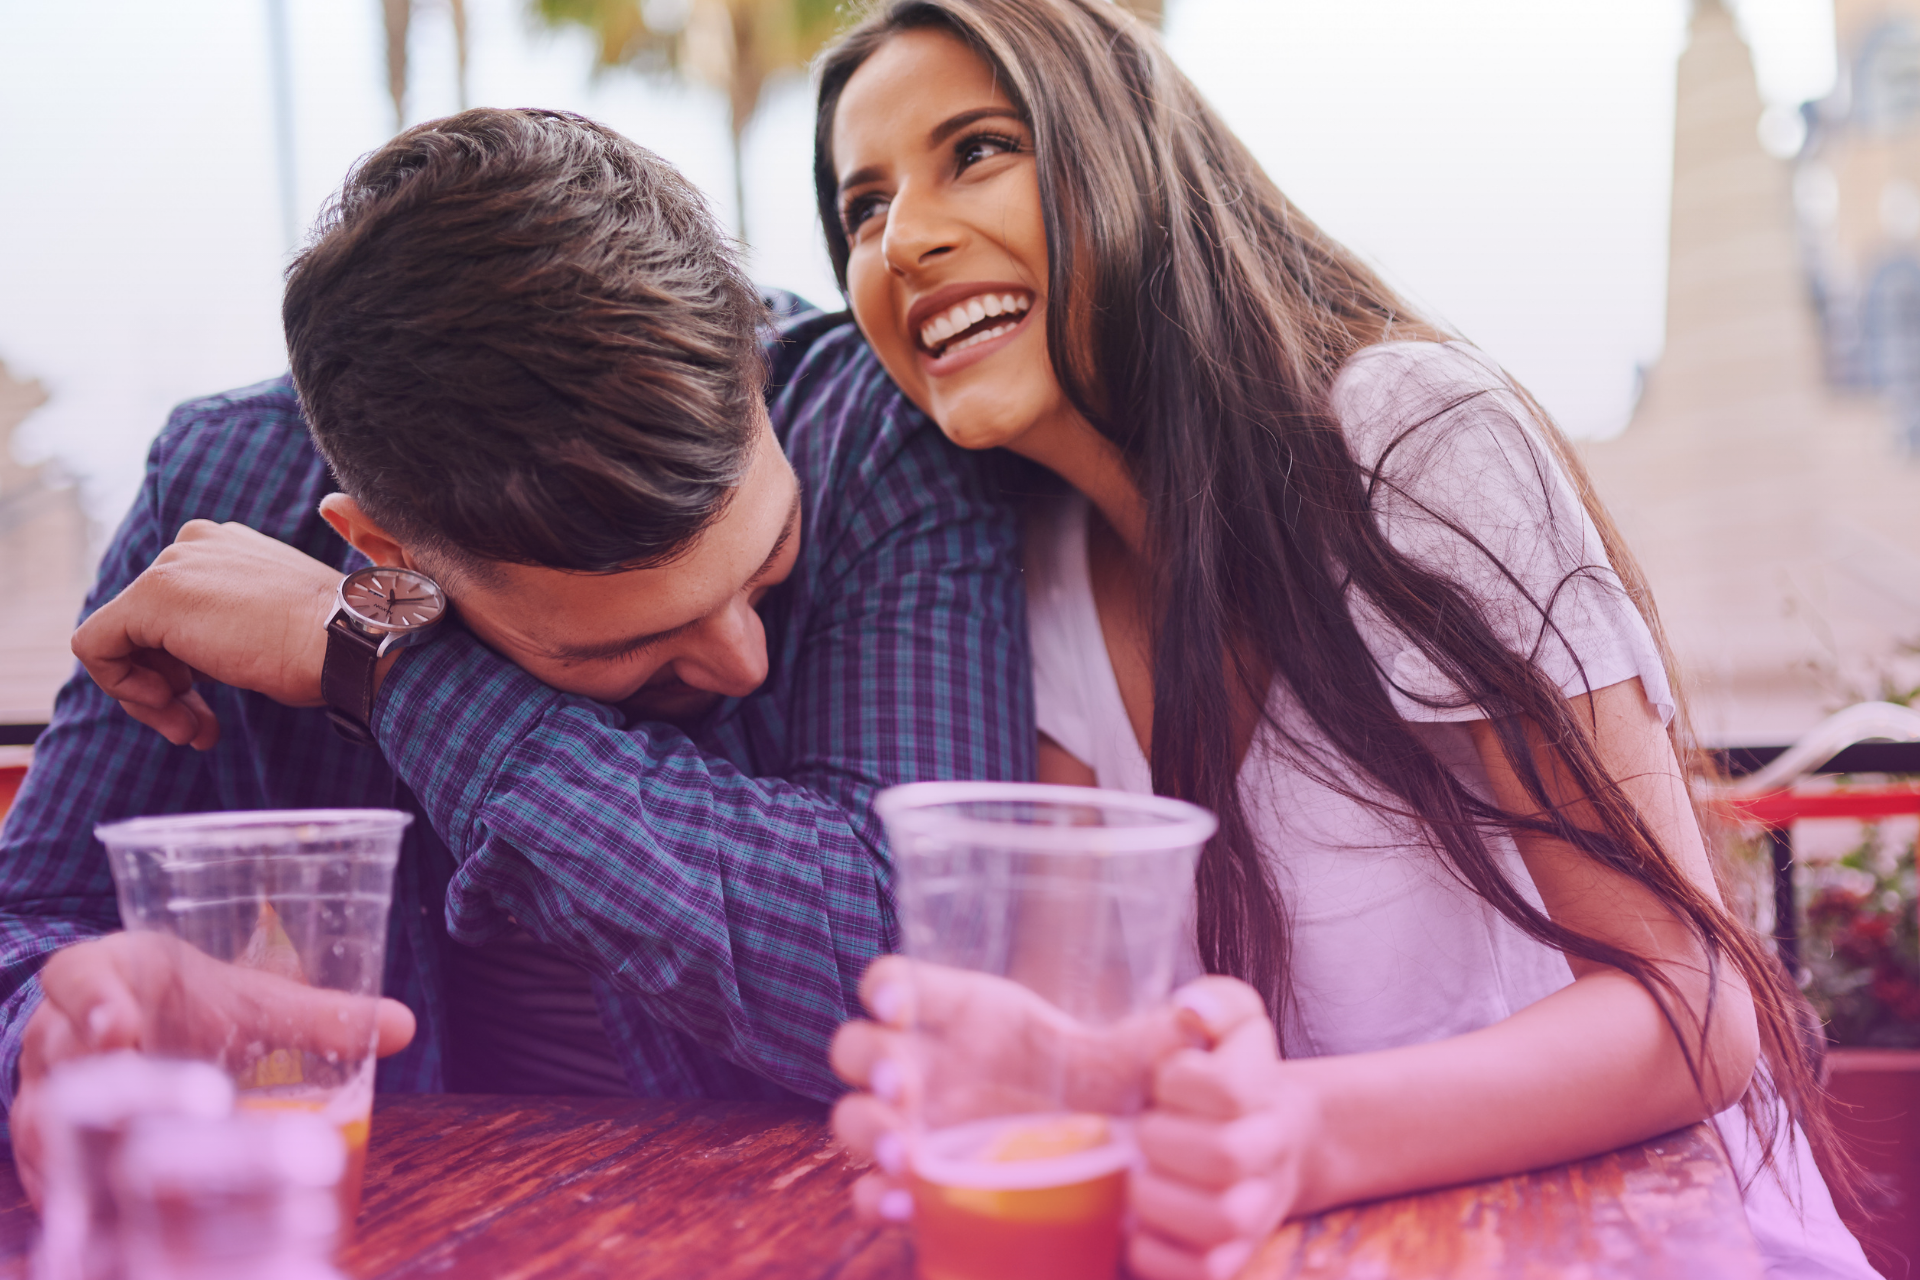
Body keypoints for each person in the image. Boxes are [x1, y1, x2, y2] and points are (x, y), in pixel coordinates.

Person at [811, 3, 1877, 1277]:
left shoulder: (1406, 439)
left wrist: (1297, 1136)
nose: (906, 239)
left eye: (976, 150)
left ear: (1126, 160)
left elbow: (1693, 1003)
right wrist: (1058, 1076)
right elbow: (1142, 1047)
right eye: (862, 208)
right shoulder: (1028, 573)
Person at [0, 108, 1032, 1194]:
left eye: (768, 559)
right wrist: (57, 1028)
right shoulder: (225, 492)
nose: (742, 663)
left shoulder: (881, 432)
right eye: (637, 642)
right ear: (382, 548)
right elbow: (25, 924)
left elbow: (919, 966)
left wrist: (381, 659)